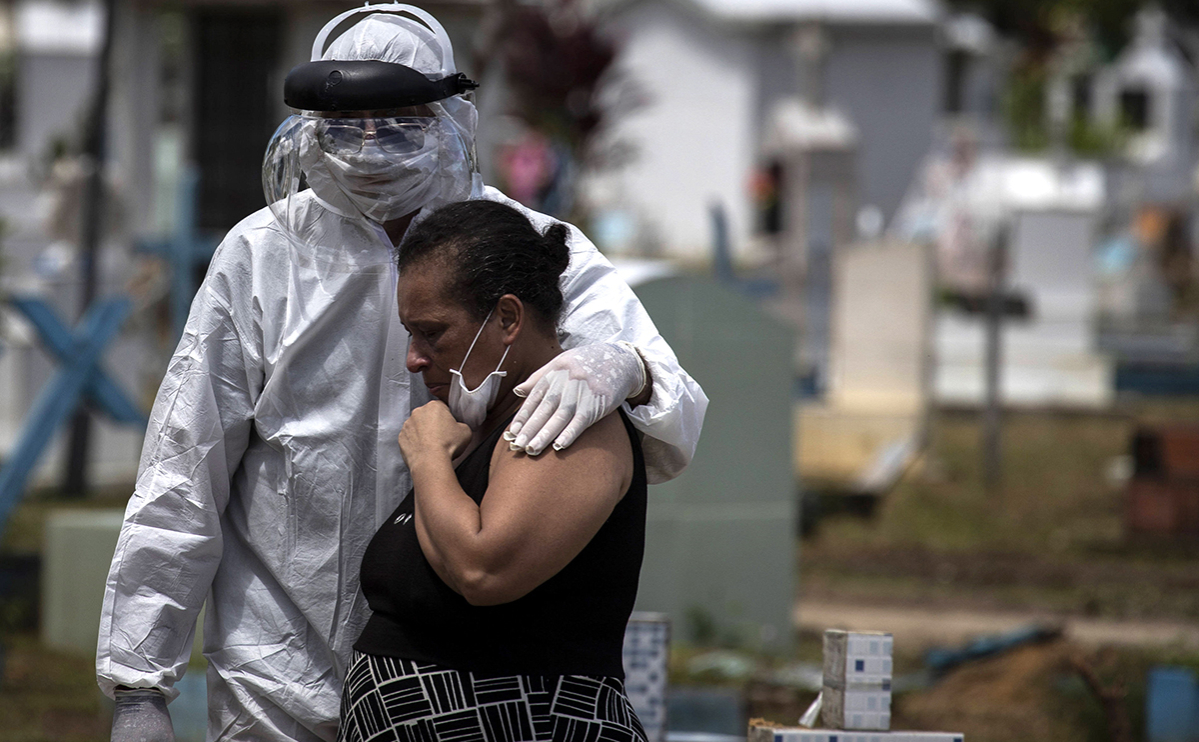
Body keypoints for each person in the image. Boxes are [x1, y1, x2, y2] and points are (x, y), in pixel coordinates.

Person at [97, 4, 708, 742]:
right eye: (346, 123)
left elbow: (672, 408)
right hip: (275, 666)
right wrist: (139, 685)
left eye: (398, 119)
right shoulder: (261, 256)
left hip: (457, 670)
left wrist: (623, 365)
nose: (370, 145)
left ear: (452, 115)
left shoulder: (523, 245)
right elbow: (183, 470)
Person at [339, 199, 647, 742]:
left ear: (507, 318)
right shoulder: (482, 426)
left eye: (433, 332)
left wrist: (429, 459)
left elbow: (484, 570)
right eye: (411, 333)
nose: (414, 357)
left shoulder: (568, 419)